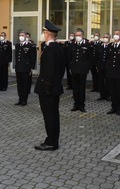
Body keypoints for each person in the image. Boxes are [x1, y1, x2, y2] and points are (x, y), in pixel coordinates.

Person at [34, 20, 65, 151]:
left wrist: (46, 88)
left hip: (48, 90)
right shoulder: (57, 47)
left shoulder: (51, 49)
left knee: (50, 116)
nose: (43, 34)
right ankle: (52, 140)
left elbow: (49, 71)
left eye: (44, 32)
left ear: (47, 34)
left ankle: (51, 142)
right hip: (54, 87)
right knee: (53, 115)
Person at [69, 28, 92, 112]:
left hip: (82, 70)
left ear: (82, 36)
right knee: (75, 88)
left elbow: (90, 58)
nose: (78, 37)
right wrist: (70, 67)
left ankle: (82, 105)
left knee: (82, 88)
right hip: (74, 69)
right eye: (76, 35)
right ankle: (76, 104)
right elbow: (70, 57)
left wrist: (87, 68)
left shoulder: (87, 45)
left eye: (79, 35)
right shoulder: (72, 45)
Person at [106, 30, 120, 115]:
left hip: (119, 73)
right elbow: (108, 58)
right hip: (111, 72)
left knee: (119, 91)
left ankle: (119, 108)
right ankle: (113, 107)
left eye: (117, 34)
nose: (115, 36)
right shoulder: (111, 46)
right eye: (114, 34)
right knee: (112, 91)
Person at [14, 31, 37, 106]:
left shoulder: (30, 46)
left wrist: (31, 68)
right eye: (20, 35)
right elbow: (16, 57)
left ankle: (24, 100)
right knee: (19, 84)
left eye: (22, 35)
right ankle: (20, 99)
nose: (21, 37)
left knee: (25, 84)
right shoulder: (17, 45)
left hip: (26, 68)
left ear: (25, 36)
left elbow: (33, 57)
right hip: (18, 68)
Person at [96, 33, 111, 101]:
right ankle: (102, 95)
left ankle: (108, 95)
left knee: (108, 82)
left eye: (107, 37)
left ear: (109, 38)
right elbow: (97, 57)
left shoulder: (111, 46)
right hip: (101, 67)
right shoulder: (99, 46)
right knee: (101, 81)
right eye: (104, 37)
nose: (105, 38)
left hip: (108, 67)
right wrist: (97, 66)